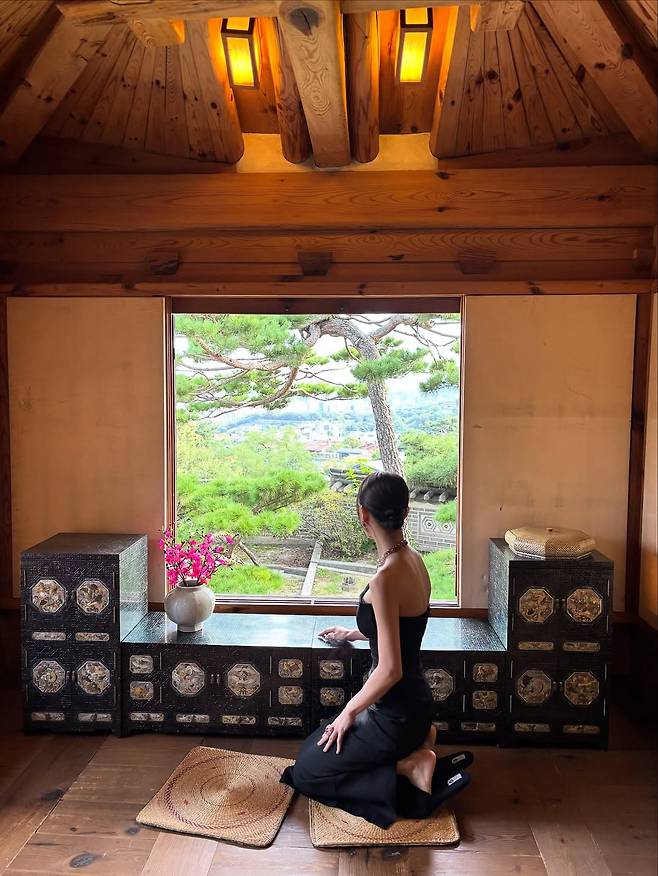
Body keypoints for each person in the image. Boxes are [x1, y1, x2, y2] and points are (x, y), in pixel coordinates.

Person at [279, 471, 472, 829]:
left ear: (363, 514)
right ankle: (420, 743)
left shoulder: (384, 579)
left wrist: (349, 712)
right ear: (407, 511)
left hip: (393, 713)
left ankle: (409, 764)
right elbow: (402, 627)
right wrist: (355, 632)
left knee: (306, 772)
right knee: (315, 746)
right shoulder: (414, 560)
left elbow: (390, 669)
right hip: (416, 707)